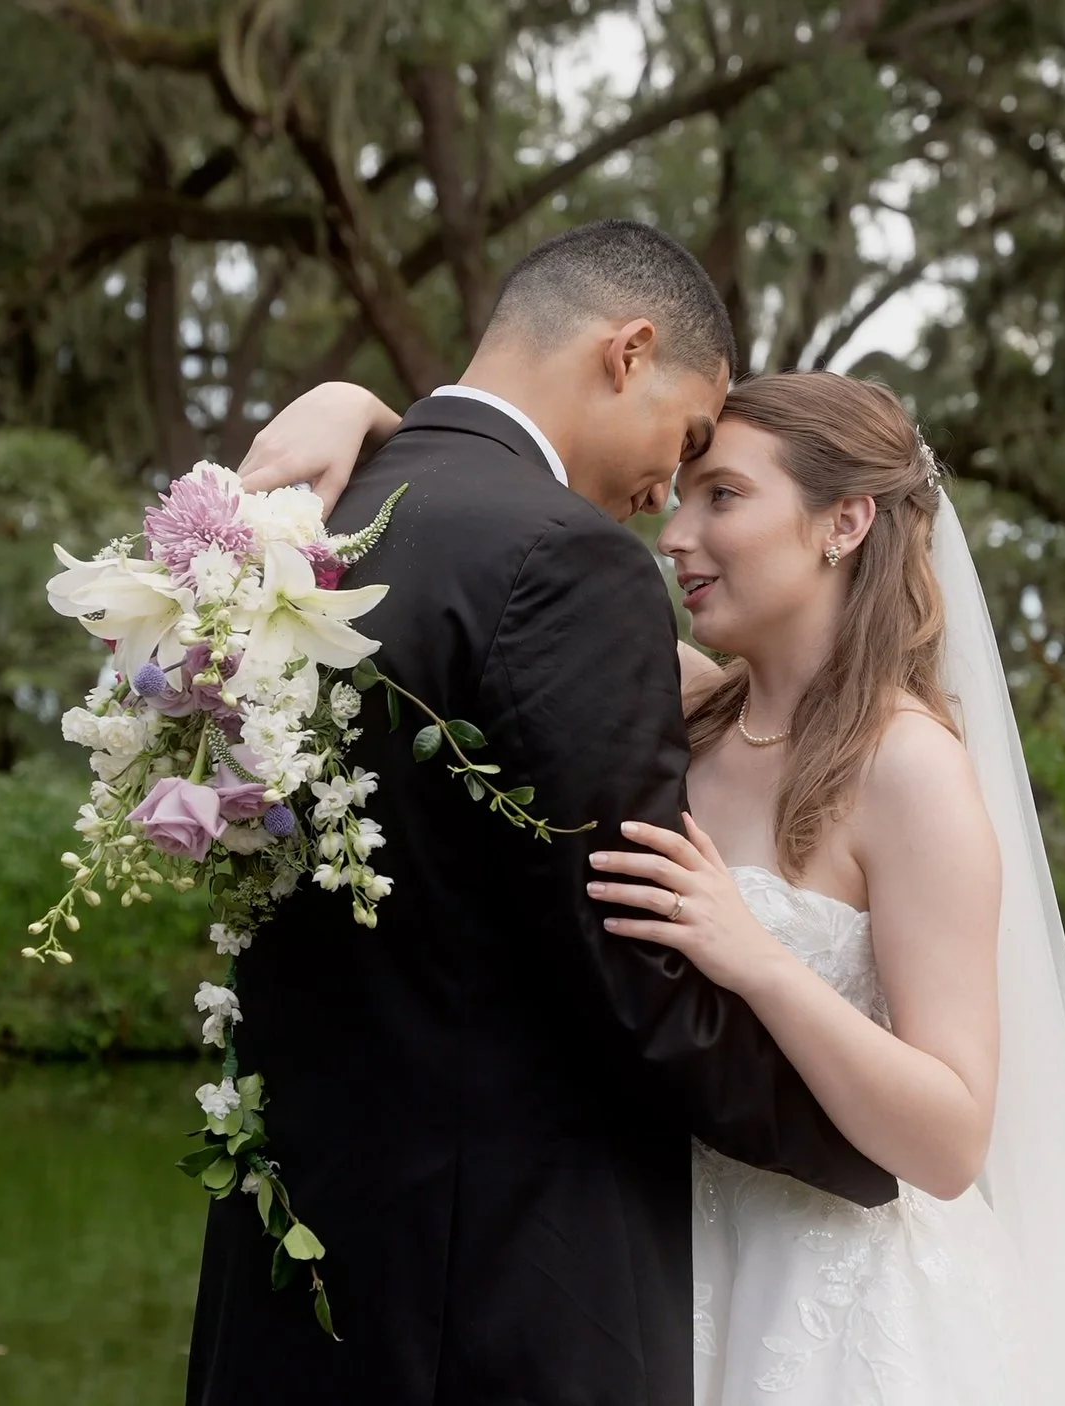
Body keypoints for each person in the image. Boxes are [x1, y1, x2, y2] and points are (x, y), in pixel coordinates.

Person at [240, 367, 1065, 1404]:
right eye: (681, 496)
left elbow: (952, 1137)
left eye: (723, 496)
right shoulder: (685, 707)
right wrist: (360, 408)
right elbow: (485, 518)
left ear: (844, 522)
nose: (676, 535)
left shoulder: (910, 768)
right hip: (653, 1262)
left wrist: (761, 960)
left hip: (837, 1300)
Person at [184, 220, 897, 1406]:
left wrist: (367, 408)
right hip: (497, 1301)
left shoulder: (302, 523)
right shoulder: (567, 561)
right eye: (686, 440)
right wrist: (865, 1150)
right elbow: (630, 967)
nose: (664, 496)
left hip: (288, 1270)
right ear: (629, 351)